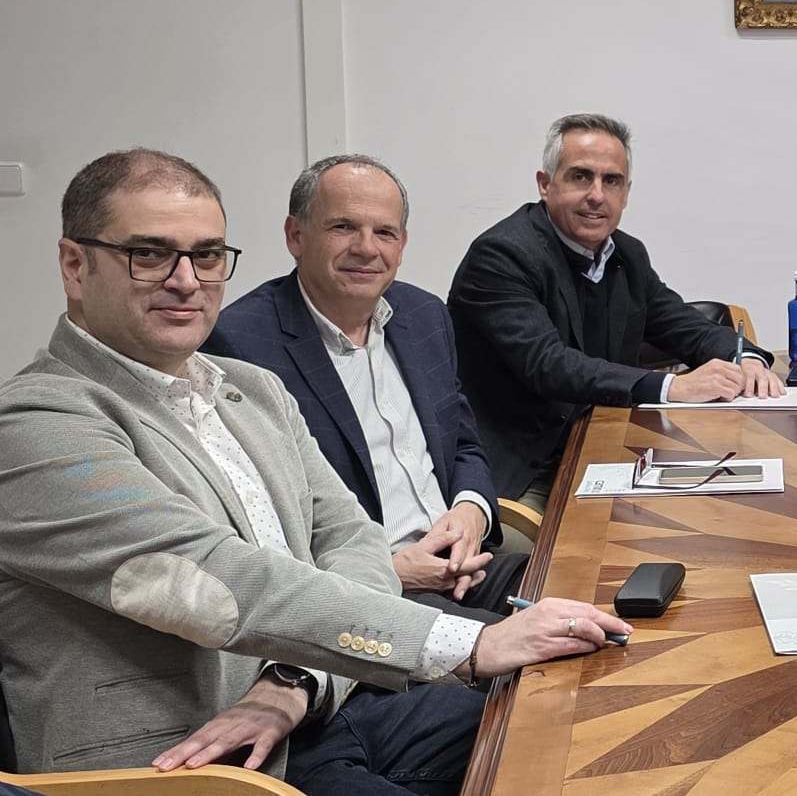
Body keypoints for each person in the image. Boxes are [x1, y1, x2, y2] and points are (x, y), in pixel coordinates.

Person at [0, 149, 629, 793]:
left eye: (208, 255)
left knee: (592, 714)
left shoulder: (252, 389)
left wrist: (295, 680)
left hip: (316, 703)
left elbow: (352, 539)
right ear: (75, 265)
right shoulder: (35, 424)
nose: (186, 280)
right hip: (191, 761)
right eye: (150, 254)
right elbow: (214, 580)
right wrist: (467, 646)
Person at [205, 155, 526, 624]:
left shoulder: (424, 315)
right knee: (540, 666)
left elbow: (464, 445)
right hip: (368, 597)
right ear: (296, 236)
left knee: (595, 596)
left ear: (403, 243)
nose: (366, 248)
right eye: (343, 227)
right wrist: (392, 570)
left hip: (468, 564)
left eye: (385, 232)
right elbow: (263, 523)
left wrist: (472, 513)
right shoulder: (239, 344)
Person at [450, 113, 782, 504]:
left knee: (724, 509)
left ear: (626, 193)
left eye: (612, 181)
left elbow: (682, 325)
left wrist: (745, 358)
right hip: (524, 472)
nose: (597, 195)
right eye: (580, 177)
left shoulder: (626, 254)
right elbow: (549, 365)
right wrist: (674, 386)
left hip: (607, 448)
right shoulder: (503, 256)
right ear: (545, 184)